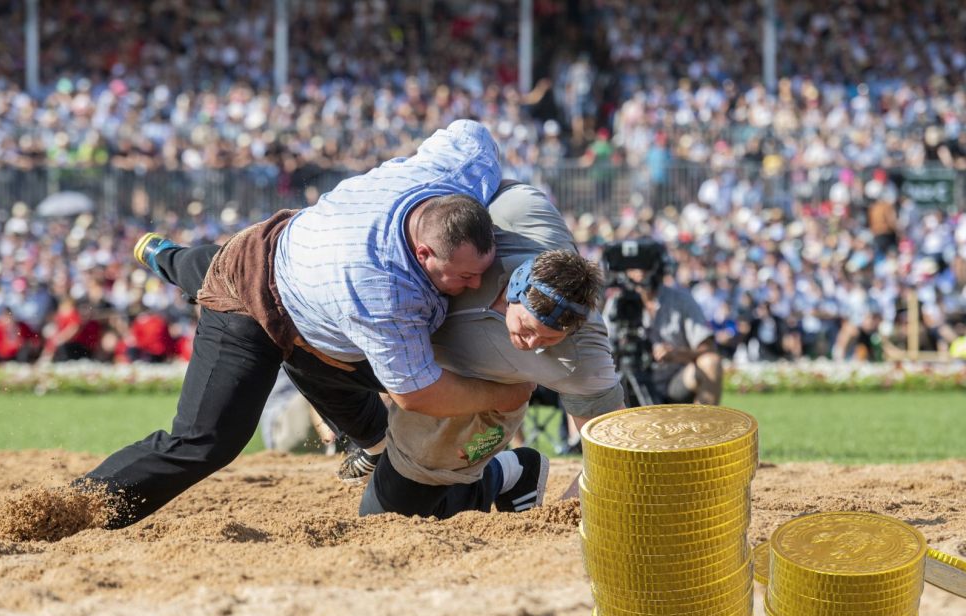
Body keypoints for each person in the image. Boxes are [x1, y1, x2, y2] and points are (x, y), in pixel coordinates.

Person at [79, 120, 536, 528]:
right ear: (423, 254)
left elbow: (471, 133)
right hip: (254, 296)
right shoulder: (380, 289)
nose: (476, 284)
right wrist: (502, 395)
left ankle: (168, 257)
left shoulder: (456, 175)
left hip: (313, 265)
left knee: (365, 384)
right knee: (207, 442)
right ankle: (81, 506)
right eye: (464, 277)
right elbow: (416, 394)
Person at [353, 182, 625, 519]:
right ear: (515, 288)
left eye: (548, 339)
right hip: (401, 340)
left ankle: (510, 472)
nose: (530, 344)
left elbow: (612, 456)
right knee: (311, 357)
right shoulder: (521, 213)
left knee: (385, 519)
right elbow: (463, 184)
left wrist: (558, 517)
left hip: (480, 399)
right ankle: (367, 440)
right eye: (526, 328)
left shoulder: (583, 359)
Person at [620, 239, 723, 406]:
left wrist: (676, 354)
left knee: (710, 362)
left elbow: (708, 347)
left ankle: (703, 429)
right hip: (629, 383)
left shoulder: (681, 300)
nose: (639, 273)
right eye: (634, 267)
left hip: (673, 382)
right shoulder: (618, 303)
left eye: (645, 266)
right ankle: (582, 431)